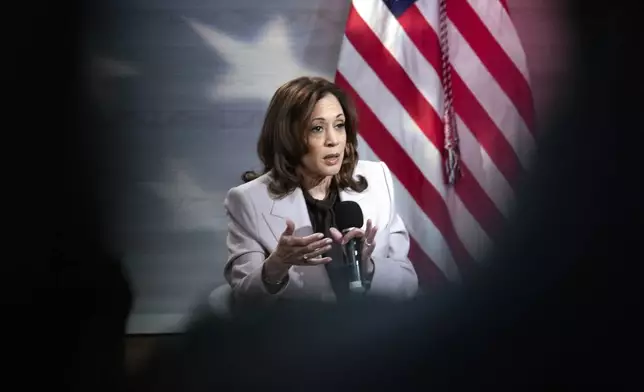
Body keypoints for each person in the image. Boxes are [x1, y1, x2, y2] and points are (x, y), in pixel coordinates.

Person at [224, 76, 419, 308]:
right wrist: (277, 265)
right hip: (302, 337)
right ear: (288, 136)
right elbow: (244, 301)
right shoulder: (249, 200)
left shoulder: (377, 180)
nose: (333, 140)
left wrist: (367, 266)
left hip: (371, 334)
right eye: (317, 129)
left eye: (339, 125)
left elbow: (408, 283)